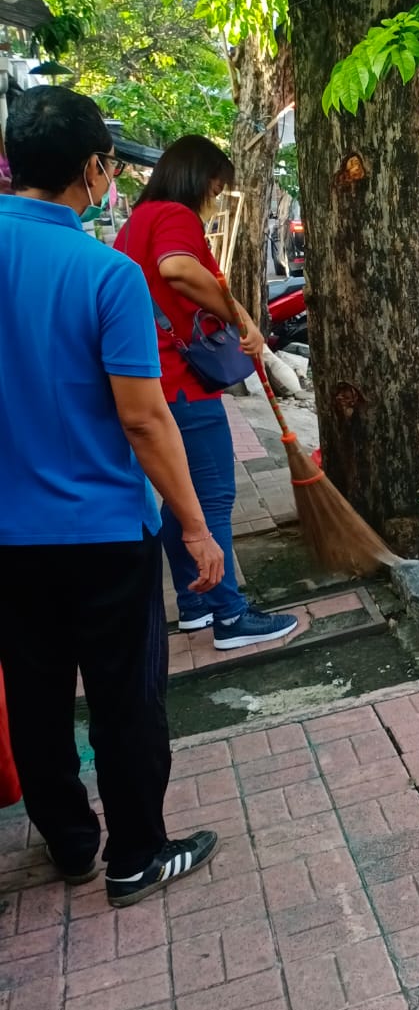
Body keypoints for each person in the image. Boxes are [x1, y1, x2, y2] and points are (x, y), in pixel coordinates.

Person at [0, 87, 225, 906]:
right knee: (126, 697)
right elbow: (144, 417)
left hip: (7, 539)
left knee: (34, 694)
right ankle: (136, 854)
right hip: (102, 533)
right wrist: (198, 529)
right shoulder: (106, 275)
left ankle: (69, 841)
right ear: (95, 171)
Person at [116, 136, 298, 650]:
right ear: (202, 179)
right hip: (181, 384)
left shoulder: (137, 221)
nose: (216, 199)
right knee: (211, 496)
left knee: (180, 500)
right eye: (218, 187)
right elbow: (177, 268)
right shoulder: (174, 215)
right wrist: (238, 314)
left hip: (150, 380)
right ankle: (231, 616)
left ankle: (196, 605)